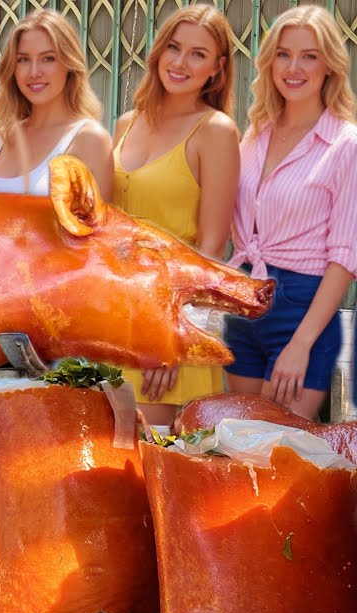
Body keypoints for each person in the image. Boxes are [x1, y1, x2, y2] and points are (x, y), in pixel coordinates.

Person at [111, 5, 241, 426]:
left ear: (217, 69)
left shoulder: (215, 131)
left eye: (198, 54)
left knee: (148, 466)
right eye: (174, 47)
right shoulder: (125, 124)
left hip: (171, 326)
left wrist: (174, 338)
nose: (181, 62)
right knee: (106, 463)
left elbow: (211, 248)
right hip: (116, 320)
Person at [225, 5, 357, 419]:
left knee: (278, 455)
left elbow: (345, 258)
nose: (293, 67)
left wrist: (300, 344)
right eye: (283, 54)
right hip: (243, 300)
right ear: (269, 62)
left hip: (301, 307)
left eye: (309, 55)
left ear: (330, 66)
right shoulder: (254, 135)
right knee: (236, 446)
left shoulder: (345, 145)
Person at [0, 10, 112, 196]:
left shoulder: (90, 140)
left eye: (48, 58)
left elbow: (100, 223)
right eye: (23, 59)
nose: (34, 72)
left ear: (69, 65)